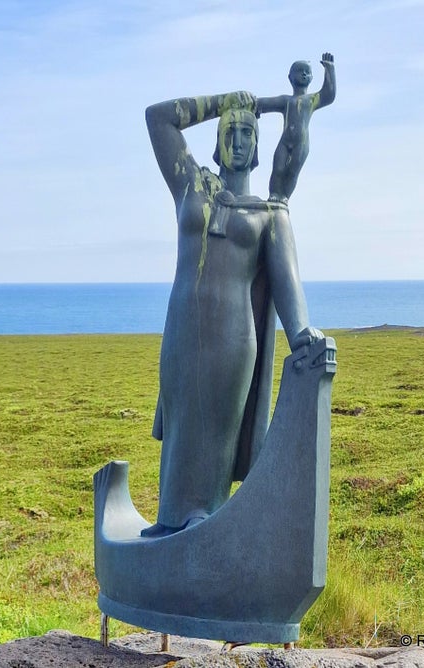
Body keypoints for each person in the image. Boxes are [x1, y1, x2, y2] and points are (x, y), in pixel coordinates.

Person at [142, 91, 323, 538]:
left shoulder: (269, 214)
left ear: (259, 147)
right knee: (183, 422)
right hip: (182, 329)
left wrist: (302, 332)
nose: (239, 141)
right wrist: (233, 101)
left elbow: (287, 284)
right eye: (230, 131)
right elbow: (159, 118)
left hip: (232, 339)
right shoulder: (191, 185)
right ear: (216, 140)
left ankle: (203, 521)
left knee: (216, 428)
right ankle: (170, 523)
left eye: (247, 133)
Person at [258, 53, 336, 204]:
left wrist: (329, 70)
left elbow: (328, 94)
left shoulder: (312, 100)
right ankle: (274, 193)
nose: (304, 74)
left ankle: (284, 197)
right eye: (300, 71)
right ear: (290, 77)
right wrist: (252, 107)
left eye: (307, 72)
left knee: (293, 171)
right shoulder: (286, 101)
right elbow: (265, 103)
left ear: (312, 78)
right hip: (285, 142)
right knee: (278, 168)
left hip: (301, 143)